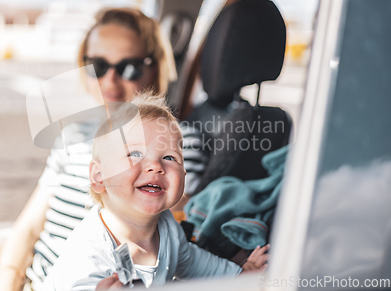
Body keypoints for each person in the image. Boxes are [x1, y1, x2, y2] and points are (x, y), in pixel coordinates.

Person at [0, 7, 177, 291]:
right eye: (98, 66)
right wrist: (8, 282)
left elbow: (163, 245)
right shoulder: (75, 132)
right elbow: (28, 229)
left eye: (129, 67)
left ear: (154, 67)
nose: (110, 80)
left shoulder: (174, 143)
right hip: (34, 266)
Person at [42, 93, 268, 291]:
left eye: (170, 158)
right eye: (135, 154)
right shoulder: (89, 251)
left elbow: (195, 264)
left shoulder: (168, 228)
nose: (155, 166)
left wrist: (239, 275)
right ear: (99, 177)